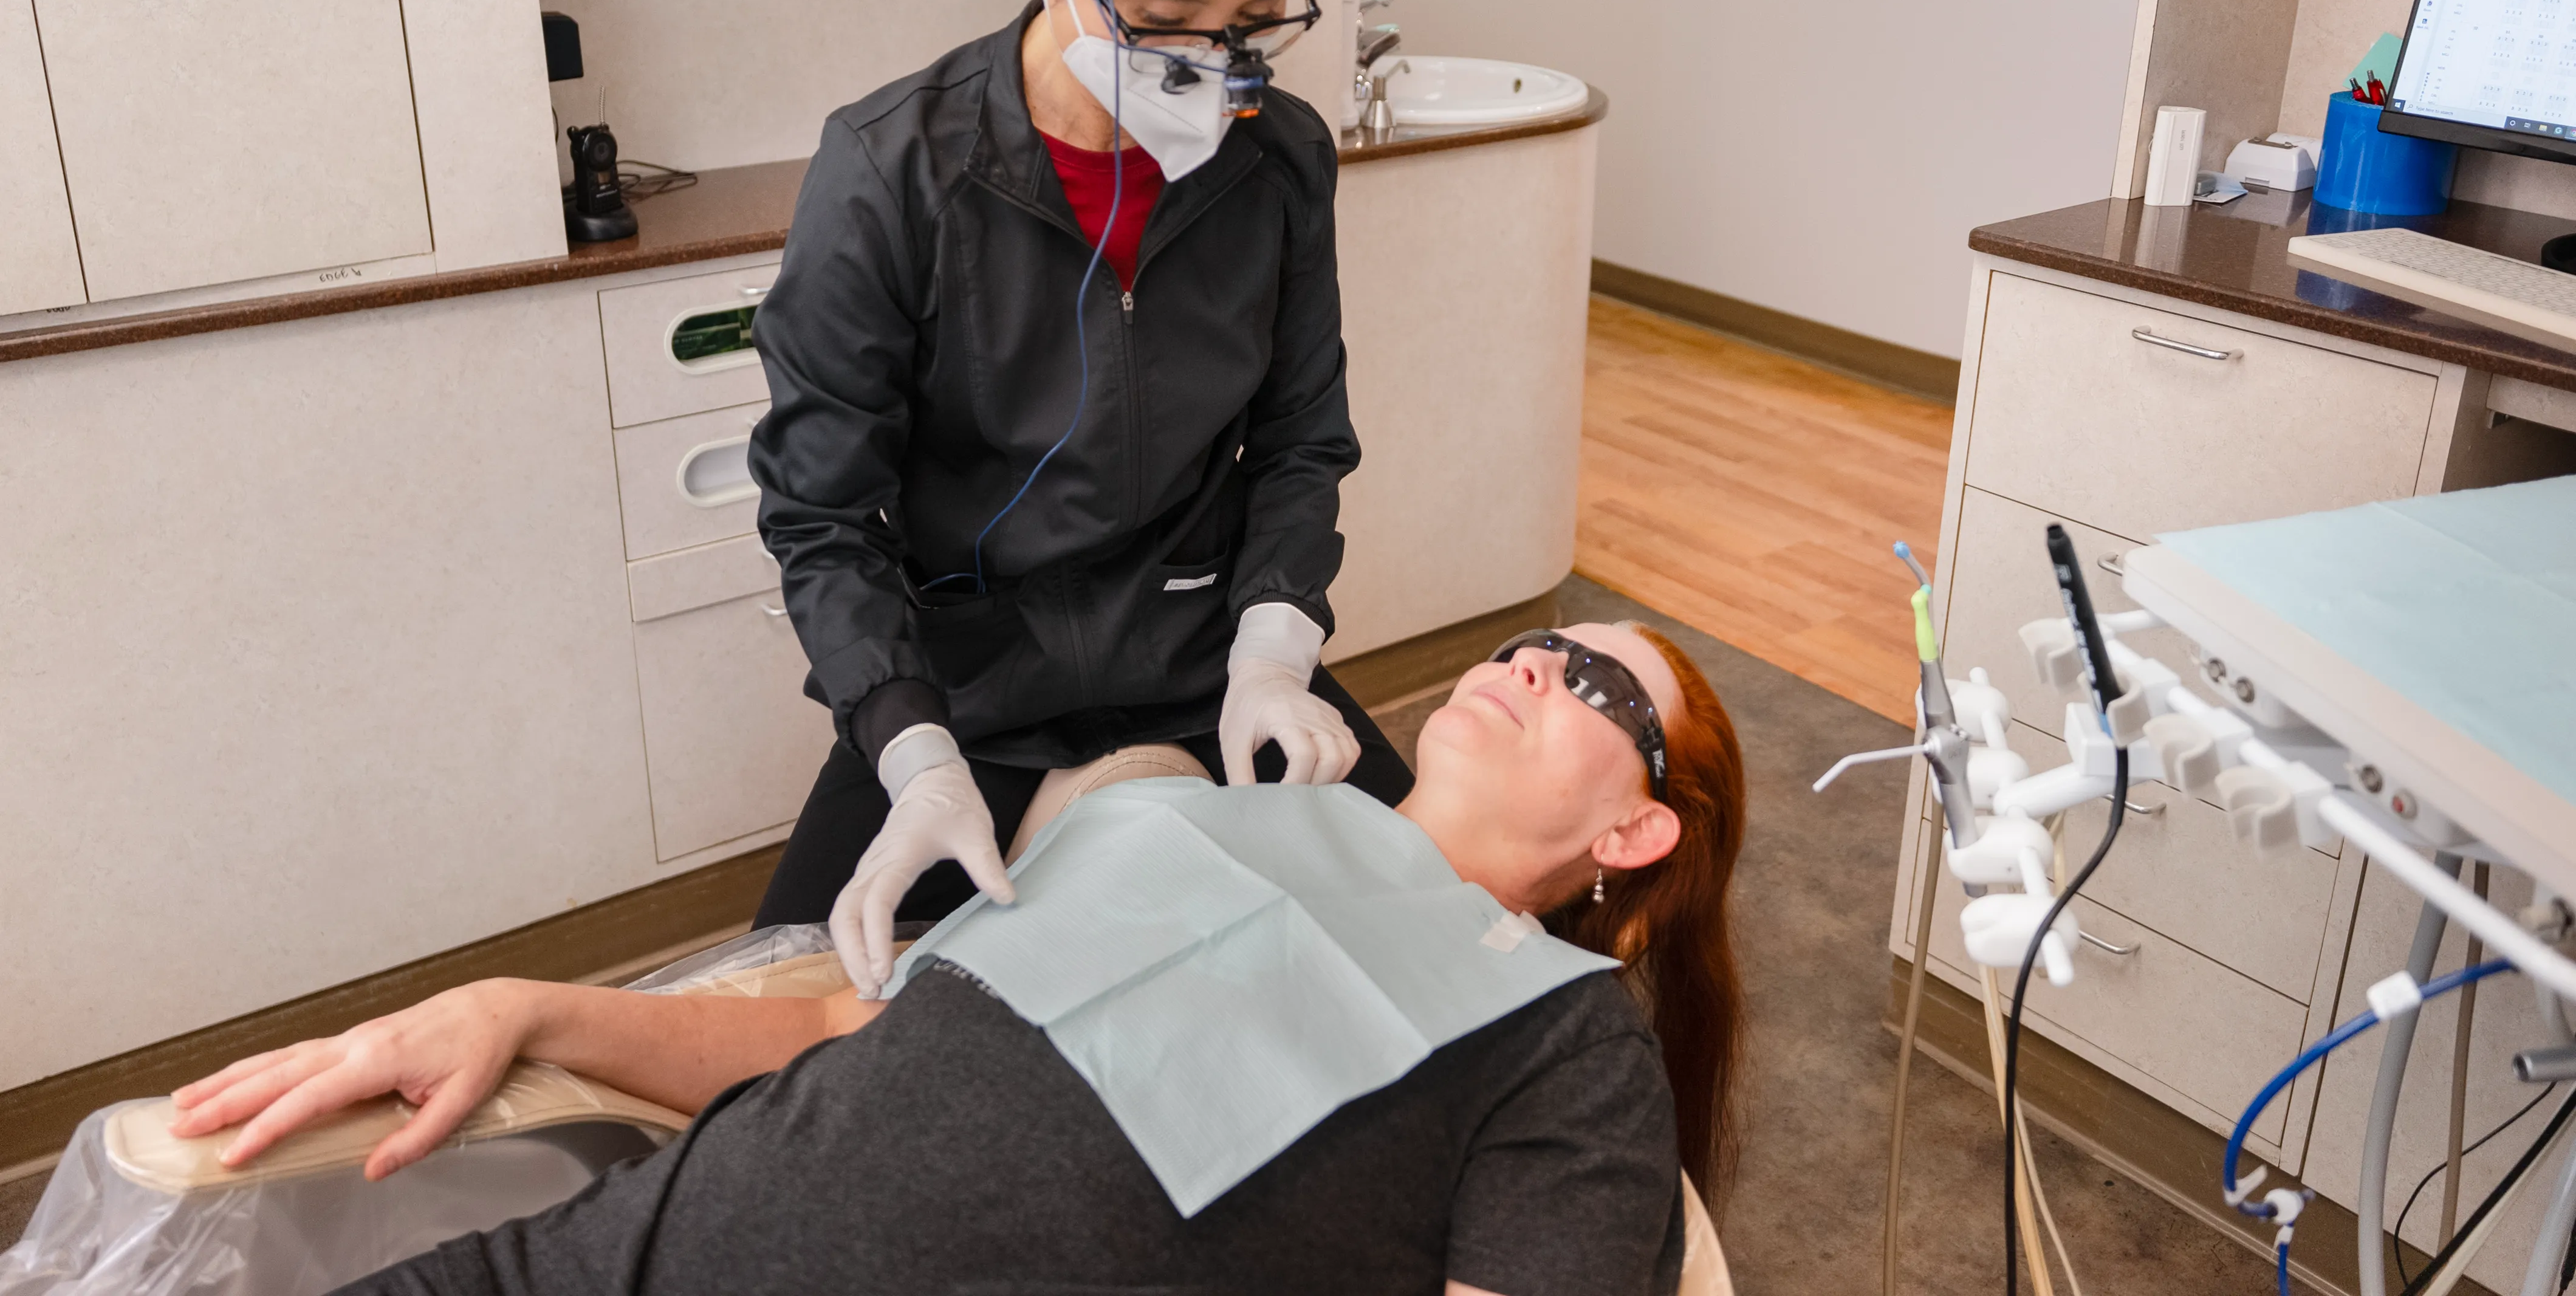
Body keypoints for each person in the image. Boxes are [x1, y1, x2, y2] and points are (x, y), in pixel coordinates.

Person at [161, 624, 1748, 1296]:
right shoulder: (1185, 817)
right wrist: (527, 1007)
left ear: (1637, 837)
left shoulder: (1566, 1046)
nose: (1533, 664)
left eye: (1599, 693)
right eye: (1530, 648)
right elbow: (855, 1029)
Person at [747, 0, 1408, 994]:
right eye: (1165, 20)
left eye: (1253, 24)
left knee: (1418, 965)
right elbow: (824, 519)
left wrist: (1273, 655)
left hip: (1202, 670)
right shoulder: (892, 177)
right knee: (788, 1039)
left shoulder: (1277, 162)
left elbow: (1298, 443)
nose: (1213, 73)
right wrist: (911, 752)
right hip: (968, 697)